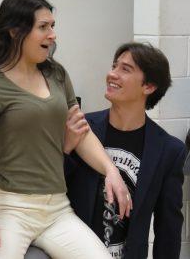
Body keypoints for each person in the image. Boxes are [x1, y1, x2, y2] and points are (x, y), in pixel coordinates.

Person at [0, 0, 132, 259]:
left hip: (57, 208)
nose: (52, 34)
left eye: (52, 26)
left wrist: (110, 170)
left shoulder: (56, 75)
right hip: (12, 207)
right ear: (14, 31)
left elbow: (81, 132)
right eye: (43, 27)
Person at [64, 42, 186, 259]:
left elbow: (168, 229)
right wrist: (65, 149)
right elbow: (51, 188)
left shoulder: (169, 151)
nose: (112, 74)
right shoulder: (82, 129)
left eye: (125, 69)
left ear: (148, 86)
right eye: (114, 66)